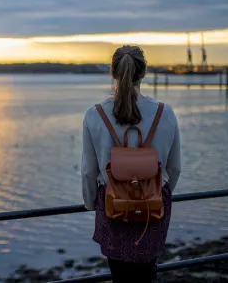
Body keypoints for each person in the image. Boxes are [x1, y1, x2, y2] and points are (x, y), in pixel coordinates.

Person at [80, 45, 181, 283]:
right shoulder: (165, 113)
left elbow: (88, 172)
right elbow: (174, 168)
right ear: (143, 73)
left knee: (119, 275)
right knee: (147, 273)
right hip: (154, 204)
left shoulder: (94, 114)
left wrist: (89, 203)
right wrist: (154, 194)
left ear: (114, 73)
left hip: (113, 204)